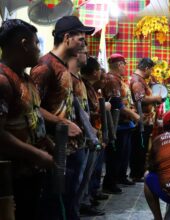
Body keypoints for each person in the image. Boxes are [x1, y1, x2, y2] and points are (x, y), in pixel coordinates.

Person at [30, 15, 94, 220]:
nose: (84, 44)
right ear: (67, 38)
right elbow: (32, 108)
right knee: (56, 206)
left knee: (69, 201)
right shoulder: (45, 67)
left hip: (71, 147)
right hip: (55, 150)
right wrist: (62, 122)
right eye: (81, 39)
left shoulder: (64, 67)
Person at [0, 19, 54, 220]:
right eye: (36, 43)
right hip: (12, 177)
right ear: (24, 44)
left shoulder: (26, 78)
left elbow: (32, 115)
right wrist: (36, 154)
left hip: (31, 170)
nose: (38, 49)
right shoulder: (3, 80)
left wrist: (46, 143)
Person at [102, 53, 139, 193]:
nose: (125, 68)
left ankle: (121, 177)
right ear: (119, 65)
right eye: (124, 64)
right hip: (116, 123)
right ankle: (110, 183)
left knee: (123, 154)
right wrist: (134, 114)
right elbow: (117, 104)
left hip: (124, 123)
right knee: (115, 156)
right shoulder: (111, 79)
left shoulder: (118, 79)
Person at [80, 56, 110, 207]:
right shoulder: (83, 86)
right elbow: (85, 111)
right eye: (98, 70)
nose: (100, 73)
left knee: (90, 171)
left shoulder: (90, 88)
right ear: (93, 72)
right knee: (85, 173)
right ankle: (84, 202)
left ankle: (89, 197)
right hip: (87, 134)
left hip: (95, 133)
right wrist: (102, 109)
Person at [130, 58, 162, 181]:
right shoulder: (137, 81)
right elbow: (140, 99)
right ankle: (137, 174)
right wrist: (155, 98)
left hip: (144, 119)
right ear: (146, 68)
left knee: (140, 147)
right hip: (141, 120)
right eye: (151, 69)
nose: (152, 72)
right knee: (139, 147)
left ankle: (138, 172)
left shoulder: (140, 80)